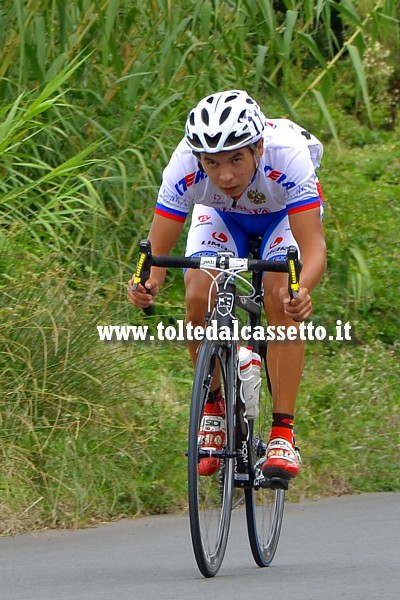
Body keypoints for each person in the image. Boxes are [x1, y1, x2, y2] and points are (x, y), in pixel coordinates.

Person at [127, 90, 327, 482]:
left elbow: (314, 248)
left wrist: (301, 288)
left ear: (258, 147)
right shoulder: (183, 165)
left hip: (281, 218)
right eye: (212, 163)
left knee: (278, 296)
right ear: (198, 157)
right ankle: (215, 409)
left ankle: (282, 434)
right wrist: (143, 284)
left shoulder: (288, 154)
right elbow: (156, 259)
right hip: (220, 217)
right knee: (197, 294)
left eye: (236, 158)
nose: (226, 175)